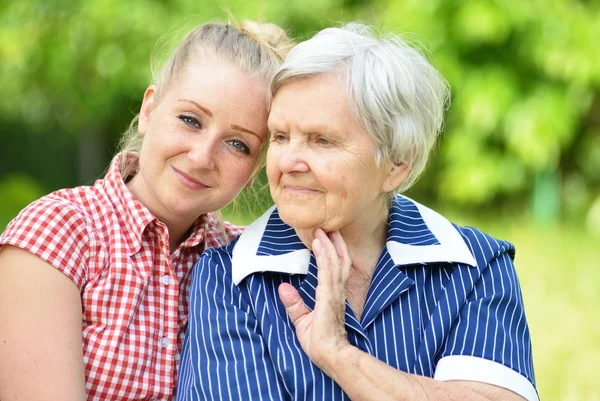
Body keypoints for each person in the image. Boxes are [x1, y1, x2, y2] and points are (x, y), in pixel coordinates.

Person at [177, 23, 538, 401]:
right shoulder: (229, 280)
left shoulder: (477, 266)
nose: (289, 161)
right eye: (281, 137)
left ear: (397, 163)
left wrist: (339, 356)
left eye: (322, 140)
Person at [0, 19, 293, 401]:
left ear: (256, 167)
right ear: (150, 108)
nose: (202, 157)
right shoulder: (59, 232)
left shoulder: (250, 265)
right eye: (190, 120)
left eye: (238, 144)